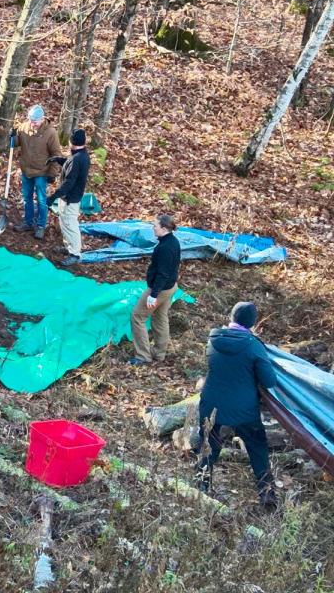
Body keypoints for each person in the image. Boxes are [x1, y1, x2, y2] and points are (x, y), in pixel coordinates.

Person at [194, 302, 278, 509]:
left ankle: (200, 489)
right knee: (257, 448)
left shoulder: (213, 339)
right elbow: (269, 381)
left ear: (231, 317)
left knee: (208, 445)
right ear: (252, 323)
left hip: (210, 404)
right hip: (244, 410)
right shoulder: (253, 345)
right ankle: (267, 494)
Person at [129, 214, 181, 365]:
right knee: (160, 317)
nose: (153, 228)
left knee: (137, 317)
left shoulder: (165, 247)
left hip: (161, 289)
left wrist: (153, 295)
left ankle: (142, 356)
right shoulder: (172, 241)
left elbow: (163, 273)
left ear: (164, 228)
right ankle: (159, 353)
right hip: (171, 286)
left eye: (155, 226)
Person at [12, 104, 61, 239]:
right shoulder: (24, 127)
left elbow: (56, 154)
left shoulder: (51, 133)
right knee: (27, 199)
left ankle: (40, 226)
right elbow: (17, 142)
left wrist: (52, 173)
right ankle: (28, 222)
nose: (32, 123)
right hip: (26, 170)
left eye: (35, 121)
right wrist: (13, 136)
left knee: (41, 200)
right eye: (30, 120)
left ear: (42, 119)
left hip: (42, 172)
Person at [46, 129, 90, 266]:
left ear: (72, 142)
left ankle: (75, 254)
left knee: (70, 225)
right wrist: (59, 160)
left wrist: (54, 196)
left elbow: (69, 181)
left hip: (70, 198)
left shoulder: (78, 159)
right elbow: (70, 163)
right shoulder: (80, 155)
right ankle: (68, 247)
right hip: (67, 197)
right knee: (64, 223)